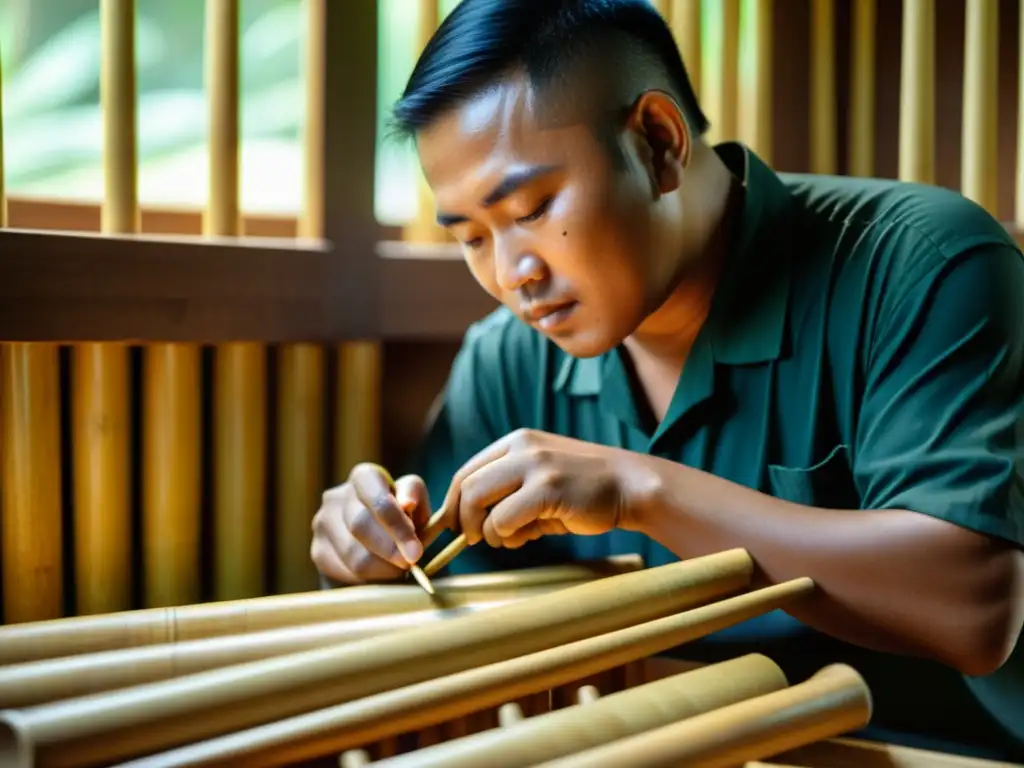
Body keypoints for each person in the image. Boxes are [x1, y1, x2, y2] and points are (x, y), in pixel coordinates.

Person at [310, 0, 1024, 759]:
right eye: (472, 237)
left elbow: (974, 608)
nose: (513, 273)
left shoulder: (923, 266)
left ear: (658, 142)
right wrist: (369, 559)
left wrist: (638, 492)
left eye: (531, 207)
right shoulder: (507, 360)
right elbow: (446, 619)